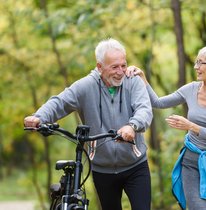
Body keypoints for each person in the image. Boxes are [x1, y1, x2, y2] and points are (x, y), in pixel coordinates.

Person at [24, 38, 153, 210]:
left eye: (123, 65)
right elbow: (60, 102)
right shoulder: (86, 86)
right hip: (103, 169)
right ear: (100, 67)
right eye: (114, 67)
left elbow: (145, 109)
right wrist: (39, 117)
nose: (121, 71)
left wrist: (133, 125)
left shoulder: (133, 82)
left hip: (135, 166)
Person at [126, 45, 206, 210]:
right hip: (192, 161)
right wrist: (142, 77)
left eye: (201, 63)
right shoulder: (191, 89)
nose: (196, 67)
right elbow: (158, 102)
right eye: (196, 62)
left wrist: (191, 126)